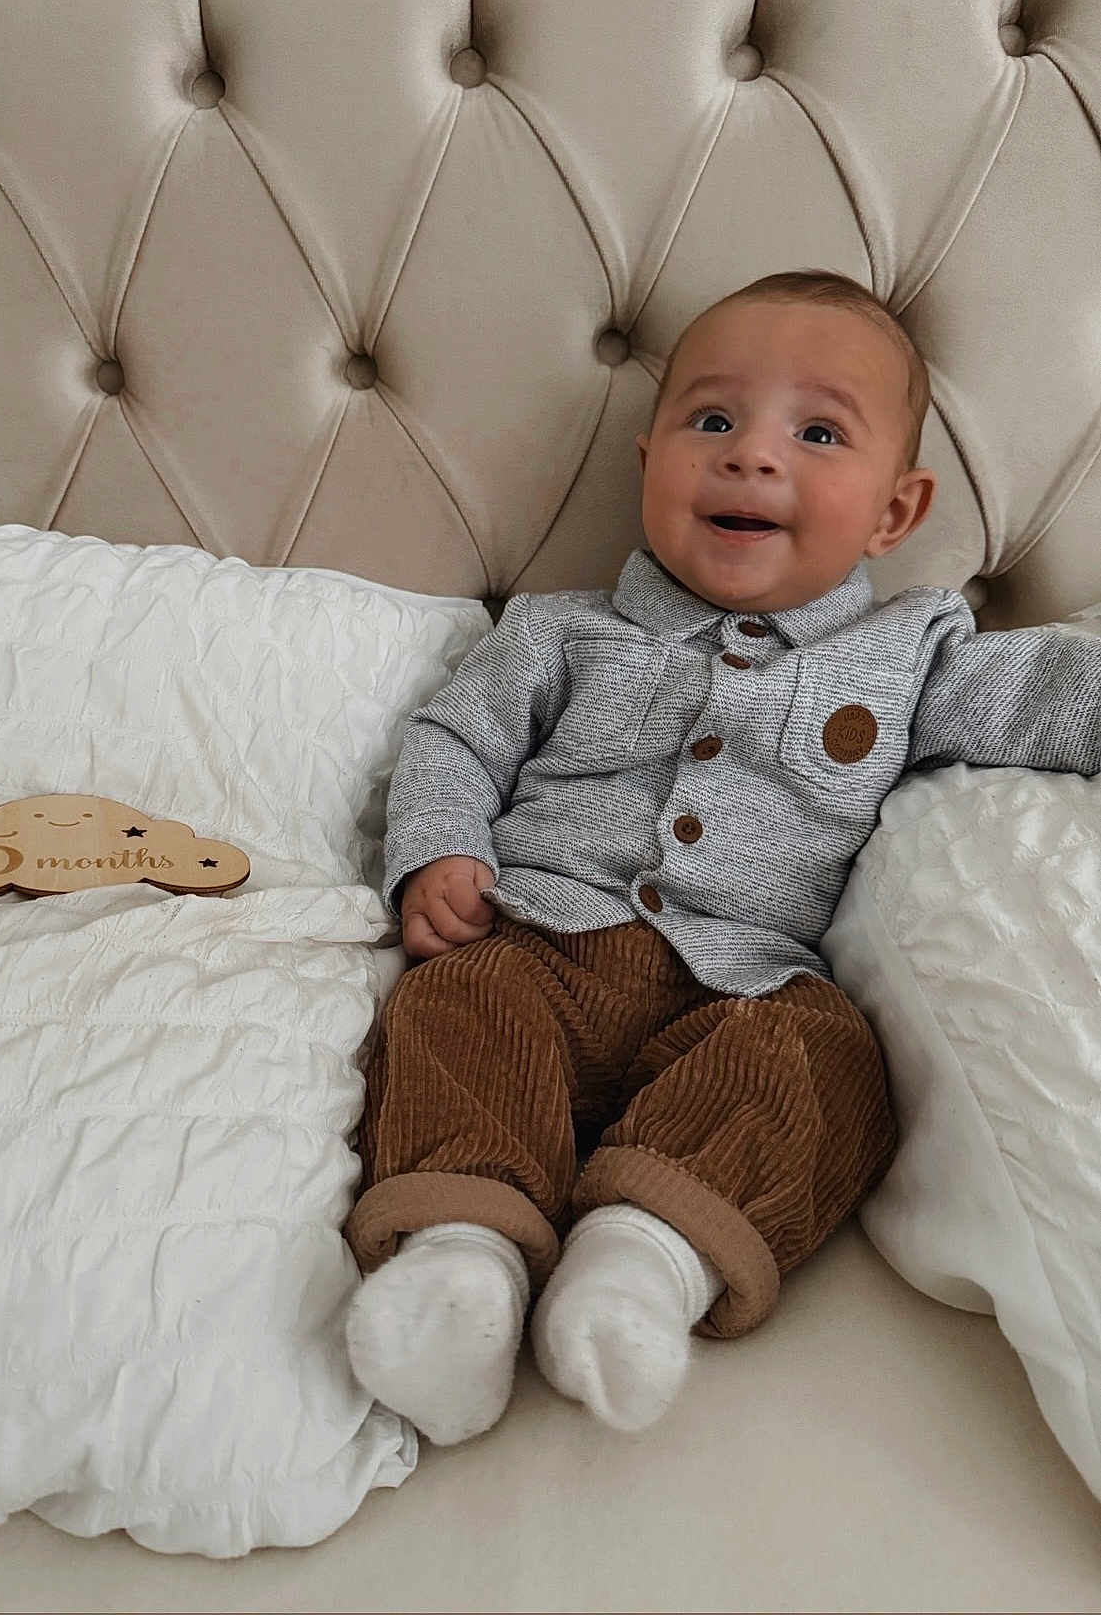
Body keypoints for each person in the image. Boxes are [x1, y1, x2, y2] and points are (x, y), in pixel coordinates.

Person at [342, 267, 1101, 1446]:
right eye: (712, 421)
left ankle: (644, 1261)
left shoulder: (909, 655)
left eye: (814, 432)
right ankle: (462, 1261)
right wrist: (435, 852)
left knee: (827, 1065)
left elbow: (1047, 693)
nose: (751, 457)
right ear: (648, 461)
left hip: (746, 980)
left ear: (894, 513)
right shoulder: (561, 630)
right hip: (539, 938)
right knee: (454, 1008)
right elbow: (454, 739)